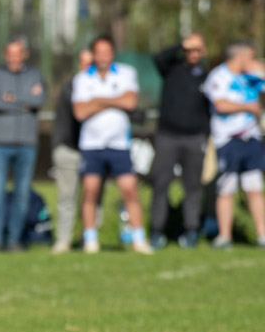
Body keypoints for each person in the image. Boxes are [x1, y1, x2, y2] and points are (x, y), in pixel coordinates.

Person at [73, 35, 152, 255]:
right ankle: (90, 239)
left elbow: (129, 101)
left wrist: (97, 101)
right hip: (91, 144)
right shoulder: (82, 78)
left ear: (113, 53)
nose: (103, 57)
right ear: (93, 54)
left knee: (129, 190)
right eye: (99, 52)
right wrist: (112, 100)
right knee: (90, 191)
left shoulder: (127, 73)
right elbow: (80, 111)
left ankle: (138, 238)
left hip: (119, 144)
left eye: (107, 52)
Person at [148, 34, 210, 250]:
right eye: (189, 50)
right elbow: (158, 58)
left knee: (192, 187)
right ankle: (156, 231)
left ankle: (191, 230)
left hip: (194, 138)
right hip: (168, 136)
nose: (193, 54)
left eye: (197, 50)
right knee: (160, 184)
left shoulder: (206, 76)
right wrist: (181, 43)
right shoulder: (171, 69)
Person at [202, 41, 265, 248]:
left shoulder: (251, 76)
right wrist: (248, 107)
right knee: (226, 188)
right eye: (250, 56)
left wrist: (261, 69)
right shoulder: (218, 76)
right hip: (229, 139)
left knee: (254, 187)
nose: (252, 61)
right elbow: (221, 105)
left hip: (252, 139)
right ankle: (225, 235)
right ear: (239, 56)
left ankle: (262, 234)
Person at [0, 36, 45, 251]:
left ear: (25, 54)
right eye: (10, 54)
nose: (14, 58)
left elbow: (39, 101)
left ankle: (14, 240)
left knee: (22, 194)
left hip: (27, 144)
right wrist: (24, 102)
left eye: (17, 53)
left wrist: (11, 99)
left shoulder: (35, 74)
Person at [50, 49, 93, 253]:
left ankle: (88, 237)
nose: (87, 68)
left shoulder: (101, 88)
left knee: (92, 197)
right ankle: (63, 240)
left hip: (93, 150)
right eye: (84, 63)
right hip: (69, 148)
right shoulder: (71, 87)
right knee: (67, 198)